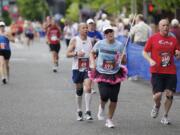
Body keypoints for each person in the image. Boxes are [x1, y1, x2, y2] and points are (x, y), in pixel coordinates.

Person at [88, 25, 127, 128]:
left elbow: (124, 61)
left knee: (114, 98)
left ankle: (109, 119)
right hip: (102, 72)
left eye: (111, 31)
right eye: (107, 32)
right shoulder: (100, 44)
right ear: (104, 34)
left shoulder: (120, 45)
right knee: (104, 95)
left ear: (113, 33)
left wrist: (123, 59)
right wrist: (92, 63)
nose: (110, 33)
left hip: (115, 73)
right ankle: (101, 107)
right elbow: (92, 53)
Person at [142, 19, 180, 125]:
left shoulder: (173, 40)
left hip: (170, 71)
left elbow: (177, 52)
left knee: (169, 94)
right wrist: (150, 60)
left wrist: (178, 53)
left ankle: (165, 116)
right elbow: (144, 52)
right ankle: (157, 105)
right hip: (157, 71)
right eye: (163, 25)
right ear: (159, 27)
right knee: (157, 95)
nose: (165, 27)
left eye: (167, 25)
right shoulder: (153, 38)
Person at [66, 23, 93, 121]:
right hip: (77, 68)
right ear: (79, 30)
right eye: (83, 28)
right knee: (79, 90)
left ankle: (88, 111)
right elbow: (67, 54)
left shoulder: (91, 40)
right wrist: (77, 53)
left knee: (88, 87)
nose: (86, 29)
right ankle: (79, 110)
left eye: (87, 28)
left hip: (87, 67)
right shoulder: (74, 40)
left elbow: (93, 53)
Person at [86, 18, 103, 94]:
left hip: (95, 54)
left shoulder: (98, 33)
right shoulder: (85, 33)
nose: (91, 25)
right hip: (86, 54)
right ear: (87, 25)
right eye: (89, 24)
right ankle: (86, 84)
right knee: (86, 70)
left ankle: (91, 87)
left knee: (92, 70)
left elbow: (102, 42)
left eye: (92, 24)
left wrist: (97, 41)